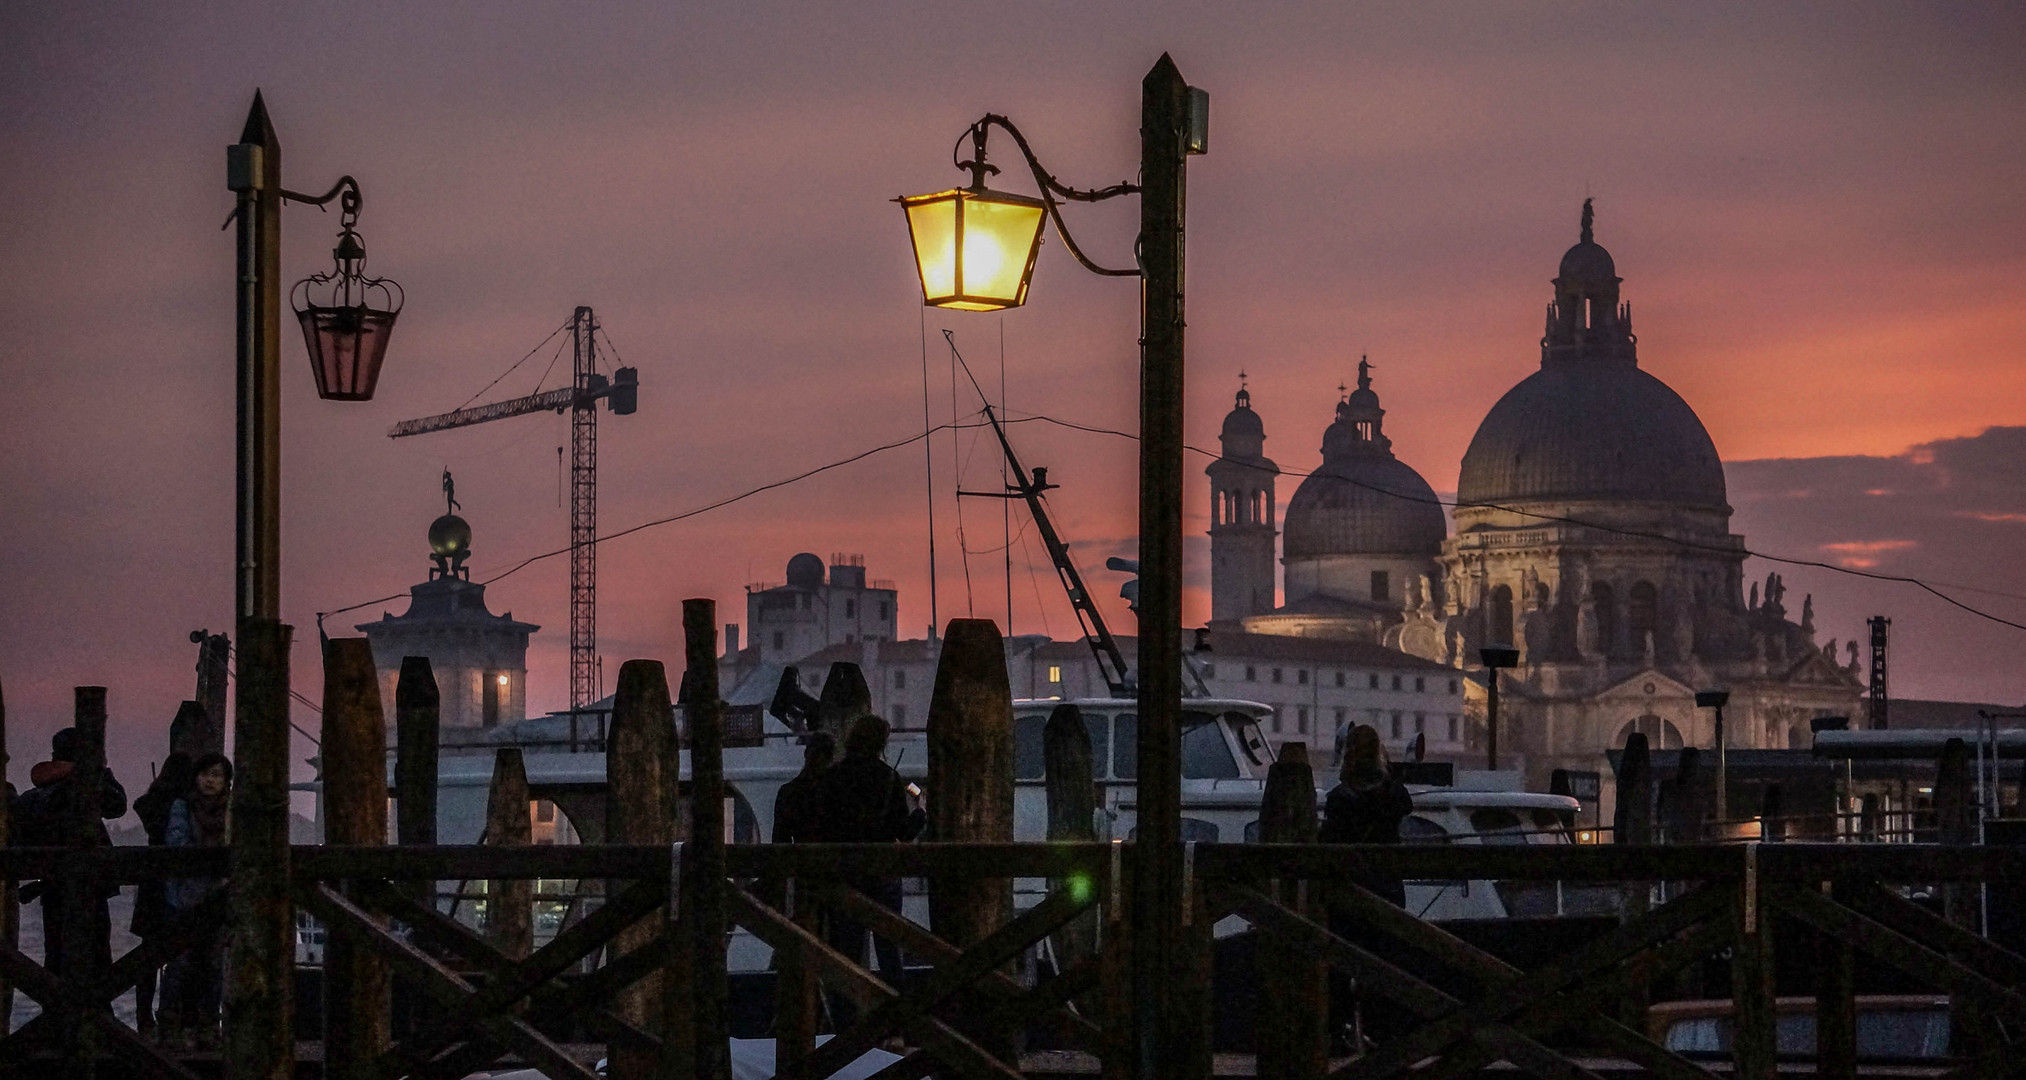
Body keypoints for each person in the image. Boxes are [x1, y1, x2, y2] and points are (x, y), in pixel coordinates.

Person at [810, 714, 924, 1026]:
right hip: (881, 876)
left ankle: (845, 1025)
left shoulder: (833, 777)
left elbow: (822, 827)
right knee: (889, 952)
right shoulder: (887, 777)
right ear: (881, 743)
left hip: (844, 874)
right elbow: (901, 831)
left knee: (844, 953)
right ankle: (895, 1023)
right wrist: (921, 813)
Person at [1318, 724, 1414, 1053]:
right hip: (1386, 889)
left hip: (1348, 894)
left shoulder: (1339, 800)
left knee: (1340, 964)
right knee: (1385, 964)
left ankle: (1340, 1031)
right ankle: (1383, 1034)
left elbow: (1328, 843)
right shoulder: (1395, 796)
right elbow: (1402, 802)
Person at [10, 727, 129, 983]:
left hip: (55, 890)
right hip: (85, 888)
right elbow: (117, 804)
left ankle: (61, 1017)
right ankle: (96, 1017)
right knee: (97, 962)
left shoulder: (36, 796)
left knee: (57, 962)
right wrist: (98, 771)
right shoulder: (75, 790)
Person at [161, 752, 231, 1051]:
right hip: (186, 898)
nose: (210, 780)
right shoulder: (182, 805)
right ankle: (170, 1028)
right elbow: (177, 843)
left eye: (216, 775)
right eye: (205, 774)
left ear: (227, 781)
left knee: (214, 965)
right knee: (179, 964)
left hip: (220, 897)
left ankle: (208, 1027)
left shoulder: (232, 809)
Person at [130, 751, 196, 1039]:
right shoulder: (183, 805)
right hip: (176, 884)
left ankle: (143, 1017)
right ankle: (178, 1017)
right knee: (180, 954)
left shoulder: (151, 803)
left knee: (148, 956)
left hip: (151, 884)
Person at [771, 730, 836, 844]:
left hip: (801, 856)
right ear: (830, 758)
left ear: (806, 753)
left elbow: (780, 839)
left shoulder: (788, 792)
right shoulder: (836, 791)